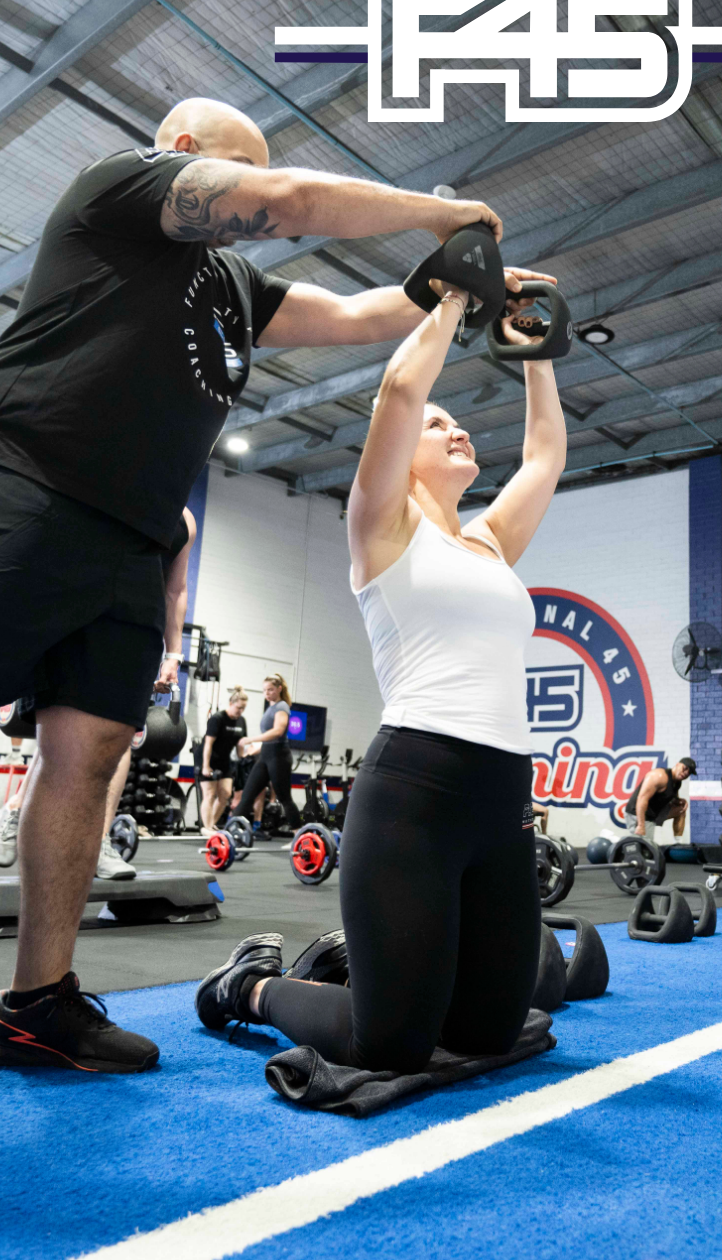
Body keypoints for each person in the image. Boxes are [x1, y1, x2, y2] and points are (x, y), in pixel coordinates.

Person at [0, 95, 538, 1146]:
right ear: (181, 158)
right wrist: (434, 208)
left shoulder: (236, 289)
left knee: (87, 758)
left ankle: (37, 1004)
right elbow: (282, 201)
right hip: (20, 478)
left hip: (134, 535)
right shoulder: (121, 190)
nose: (239, 201)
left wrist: (467, 285)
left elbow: (365, 318)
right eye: (230, 172)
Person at [195, 273, 566, 1078]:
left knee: (488, 1035)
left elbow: (545, 455)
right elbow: (401, 384)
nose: (456, 429)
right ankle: (251, 986)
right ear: (402, 454)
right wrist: (460, 298)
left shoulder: (490, 543)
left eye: (461, 424)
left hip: (503, 801)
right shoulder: (380, 527)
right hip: (415, 796)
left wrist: (536, 348)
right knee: (389, 1043)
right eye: (438, 426)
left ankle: (358, 964)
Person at [0, 508, 196, 879]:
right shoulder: (113, 477)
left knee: (121, 735)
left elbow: (175, 589)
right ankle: (17, 809)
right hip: (77, 617)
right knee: (63, 728)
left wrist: (174, 653)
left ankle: (98, 841)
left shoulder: (186, 520)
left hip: (136, 631)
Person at [229, 675, 296, 832]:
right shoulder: (271, 708)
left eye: (271, 689)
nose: (267, 693)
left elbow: (278, 731)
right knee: (247, 795)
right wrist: (258, 747)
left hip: (279, 757)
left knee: (285, 798)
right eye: (265, 690)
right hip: (265, 756)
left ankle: (298, 833)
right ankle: (229, 833)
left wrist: (251, 739)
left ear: (279, 689)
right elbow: (268, 736)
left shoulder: (282, 707)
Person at [199, 688, 250, 831]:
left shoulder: (241, 721)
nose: (241, 711)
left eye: (243, 708)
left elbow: (240, 744)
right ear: (230, 703)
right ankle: (207, 828)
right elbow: (208, 744)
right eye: (239, 707)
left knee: (226, 794)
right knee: (209, 794)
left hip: (224, 759)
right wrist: (205, 766)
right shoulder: (217, 719)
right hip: (208, 757)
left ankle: (210, 825)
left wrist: (243, 758)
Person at [626, 757, 695, 841]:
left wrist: (679, 801)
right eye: (685, 768)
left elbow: (670, 799)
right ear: (677, 765)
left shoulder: (677, 782)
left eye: (689, 772)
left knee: (681, 810)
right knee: (646, 847)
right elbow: (641, 799)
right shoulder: (659, 776)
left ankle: (678, 843)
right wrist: (641, 825)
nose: (686, 773)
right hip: (638, 813)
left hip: (654, 813)